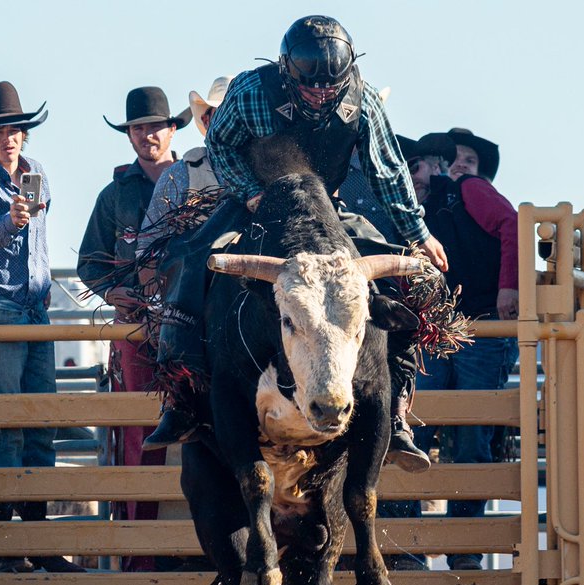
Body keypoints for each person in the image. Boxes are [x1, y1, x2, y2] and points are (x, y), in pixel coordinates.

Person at [145, 15, 447, 471]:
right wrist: (249, 191)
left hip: (325, 206)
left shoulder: (361, 99)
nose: (322, 94)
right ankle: (181, 398)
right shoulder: (252, 90)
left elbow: (386, 170)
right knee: (193, 259)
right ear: (288, 70)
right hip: (254, 201)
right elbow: (223, 148)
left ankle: (397, 410)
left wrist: (418, 233)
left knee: (398, 271)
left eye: (331, 86)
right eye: (312, 86)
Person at [0, 80, 78, 573]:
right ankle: (7, 546)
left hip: (32, 308)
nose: (10, 138)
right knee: (6, 428)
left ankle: (33, 543)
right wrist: (13, 221)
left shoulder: (34, 173)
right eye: (0, 131)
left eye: (16, 129)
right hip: (0, 309)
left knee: (38, 424)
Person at [402, 130, 520, 571]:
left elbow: (512, 226)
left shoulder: (470, 190)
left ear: (433, 165)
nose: (410, 174)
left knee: (470, 434)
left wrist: (509, 288)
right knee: (414, 433)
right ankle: (408, 547)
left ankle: (464, 547)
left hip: (481, 325)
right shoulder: (412, 210)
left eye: (415, 165)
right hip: (438, 329)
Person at [77, 87, 189, 545]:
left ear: (171, 129)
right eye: (138, 128)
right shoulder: (115, 195)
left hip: (189, 327)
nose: (146, 135)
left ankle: (197, 549)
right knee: (140, 436)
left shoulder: (197, 179)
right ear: (129, 135)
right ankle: (142, 552)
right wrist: (113, 290)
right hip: (138, 331)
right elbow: (89, 262)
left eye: (153, 126)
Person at [140, 76, 233, 449]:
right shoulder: (182, 173)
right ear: (206, 121)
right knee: (185, 268)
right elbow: (148, 249)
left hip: (255, 292)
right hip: (201, 301)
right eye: (215, 114)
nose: (222, 121)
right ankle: (179, 403)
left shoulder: (272, 169)